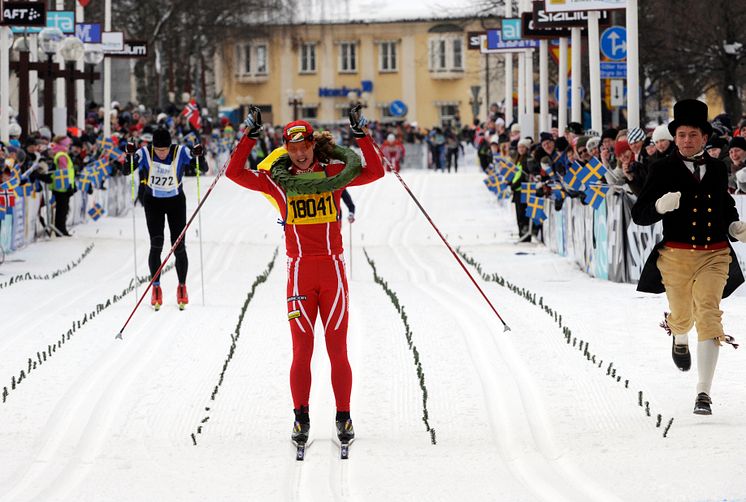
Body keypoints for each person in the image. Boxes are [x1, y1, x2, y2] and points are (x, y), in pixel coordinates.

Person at [225, 105, 384, 446]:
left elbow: (376, 172)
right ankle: (301, 418)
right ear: (285, 149)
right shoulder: (278, 182)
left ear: (313, 145)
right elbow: (234, 174)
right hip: (299, 273)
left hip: (332, 271)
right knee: (302, 349)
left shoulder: (334, 175)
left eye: (304, 147)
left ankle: (344, 416)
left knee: (337, 349)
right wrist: (249, 136)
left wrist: (361, 134)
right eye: (292, 148)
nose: (299, 154)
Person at [632, 99, 746, 415]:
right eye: (681, 135)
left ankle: (703, 393)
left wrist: (735, 226)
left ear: (704, 137)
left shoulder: (719, 168)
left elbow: (726, 208)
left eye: (692, 135)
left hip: (714, 255)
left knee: (709, 314)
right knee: (682, 316)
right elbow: (638, 214)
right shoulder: (662, 169)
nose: (686, 141)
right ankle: (678, 333)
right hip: (677, 256)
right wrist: (658, 207)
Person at [127, 127, 206, 311]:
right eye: (158, 150)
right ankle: (156, 288)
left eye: (164, 150)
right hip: (153, 202)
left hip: (176, 202)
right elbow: (126, 169)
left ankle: (182, 287)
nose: (161, 154)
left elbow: (203, 168)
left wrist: (199, 155)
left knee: (178, 245)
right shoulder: (145, 152)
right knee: (156, 244)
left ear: (170, 147)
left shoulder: (180, 151)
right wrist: (129, 156)